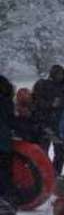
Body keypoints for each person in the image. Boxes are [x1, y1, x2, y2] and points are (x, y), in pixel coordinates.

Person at [31, 64, 64, 174]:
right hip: (45, 125)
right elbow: (36, 102)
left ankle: (54, 175)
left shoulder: (62, 89)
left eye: (62, 74)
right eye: (58, 73)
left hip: (58, 126)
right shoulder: (42, 84)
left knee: (59, 152)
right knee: (43, 152)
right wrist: (51, 104)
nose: (60, 76)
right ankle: (43, 175)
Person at [0, 75, 16, 204]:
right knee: (5, 170)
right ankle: (7, 198)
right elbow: (11, 120)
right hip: (4, 142)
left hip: (3, 140)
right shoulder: (6, 102)